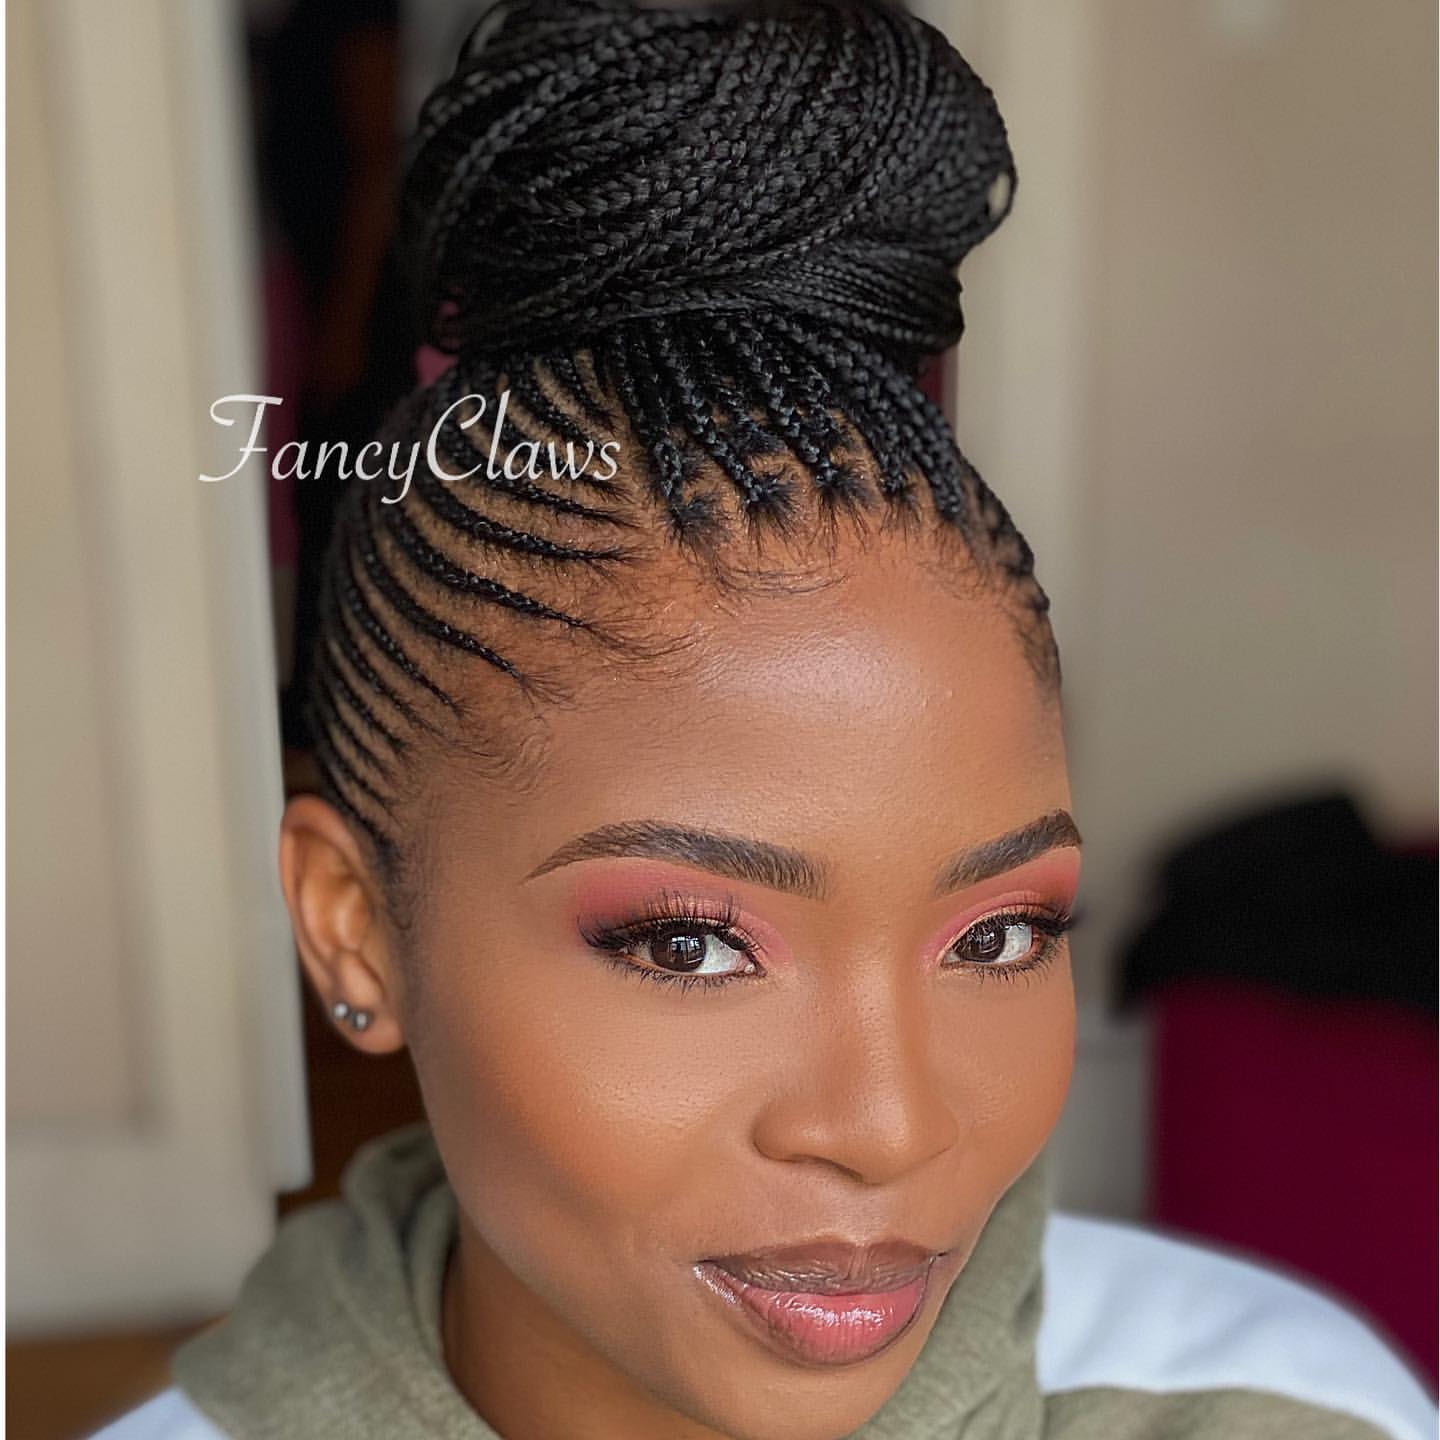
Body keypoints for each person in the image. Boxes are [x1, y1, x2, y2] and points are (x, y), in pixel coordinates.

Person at [93, 0, 1436, 1435]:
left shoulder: (1288, 1408)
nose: (890, 1128)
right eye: (689, 944)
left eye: (1000, 936)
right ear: (352, 927)